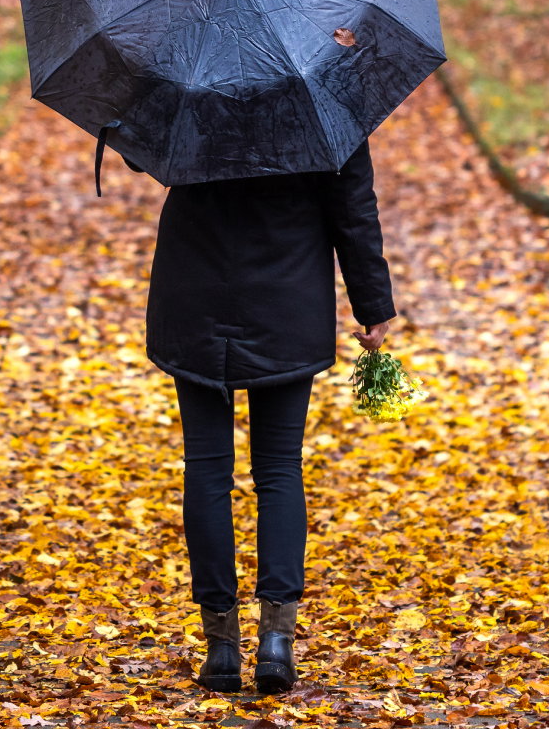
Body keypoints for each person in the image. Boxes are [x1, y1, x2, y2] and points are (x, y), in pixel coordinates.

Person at [141, 140, 396, 695]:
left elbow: (145, 151)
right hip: (287, 293)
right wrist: (373, 305)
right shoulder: (323, 108)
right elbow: (353, 207)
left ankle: (220, 647)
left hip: (194, 289)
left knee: (206, 466)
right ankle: (276, 641)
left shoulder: (191, 94)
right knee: (279, 467)